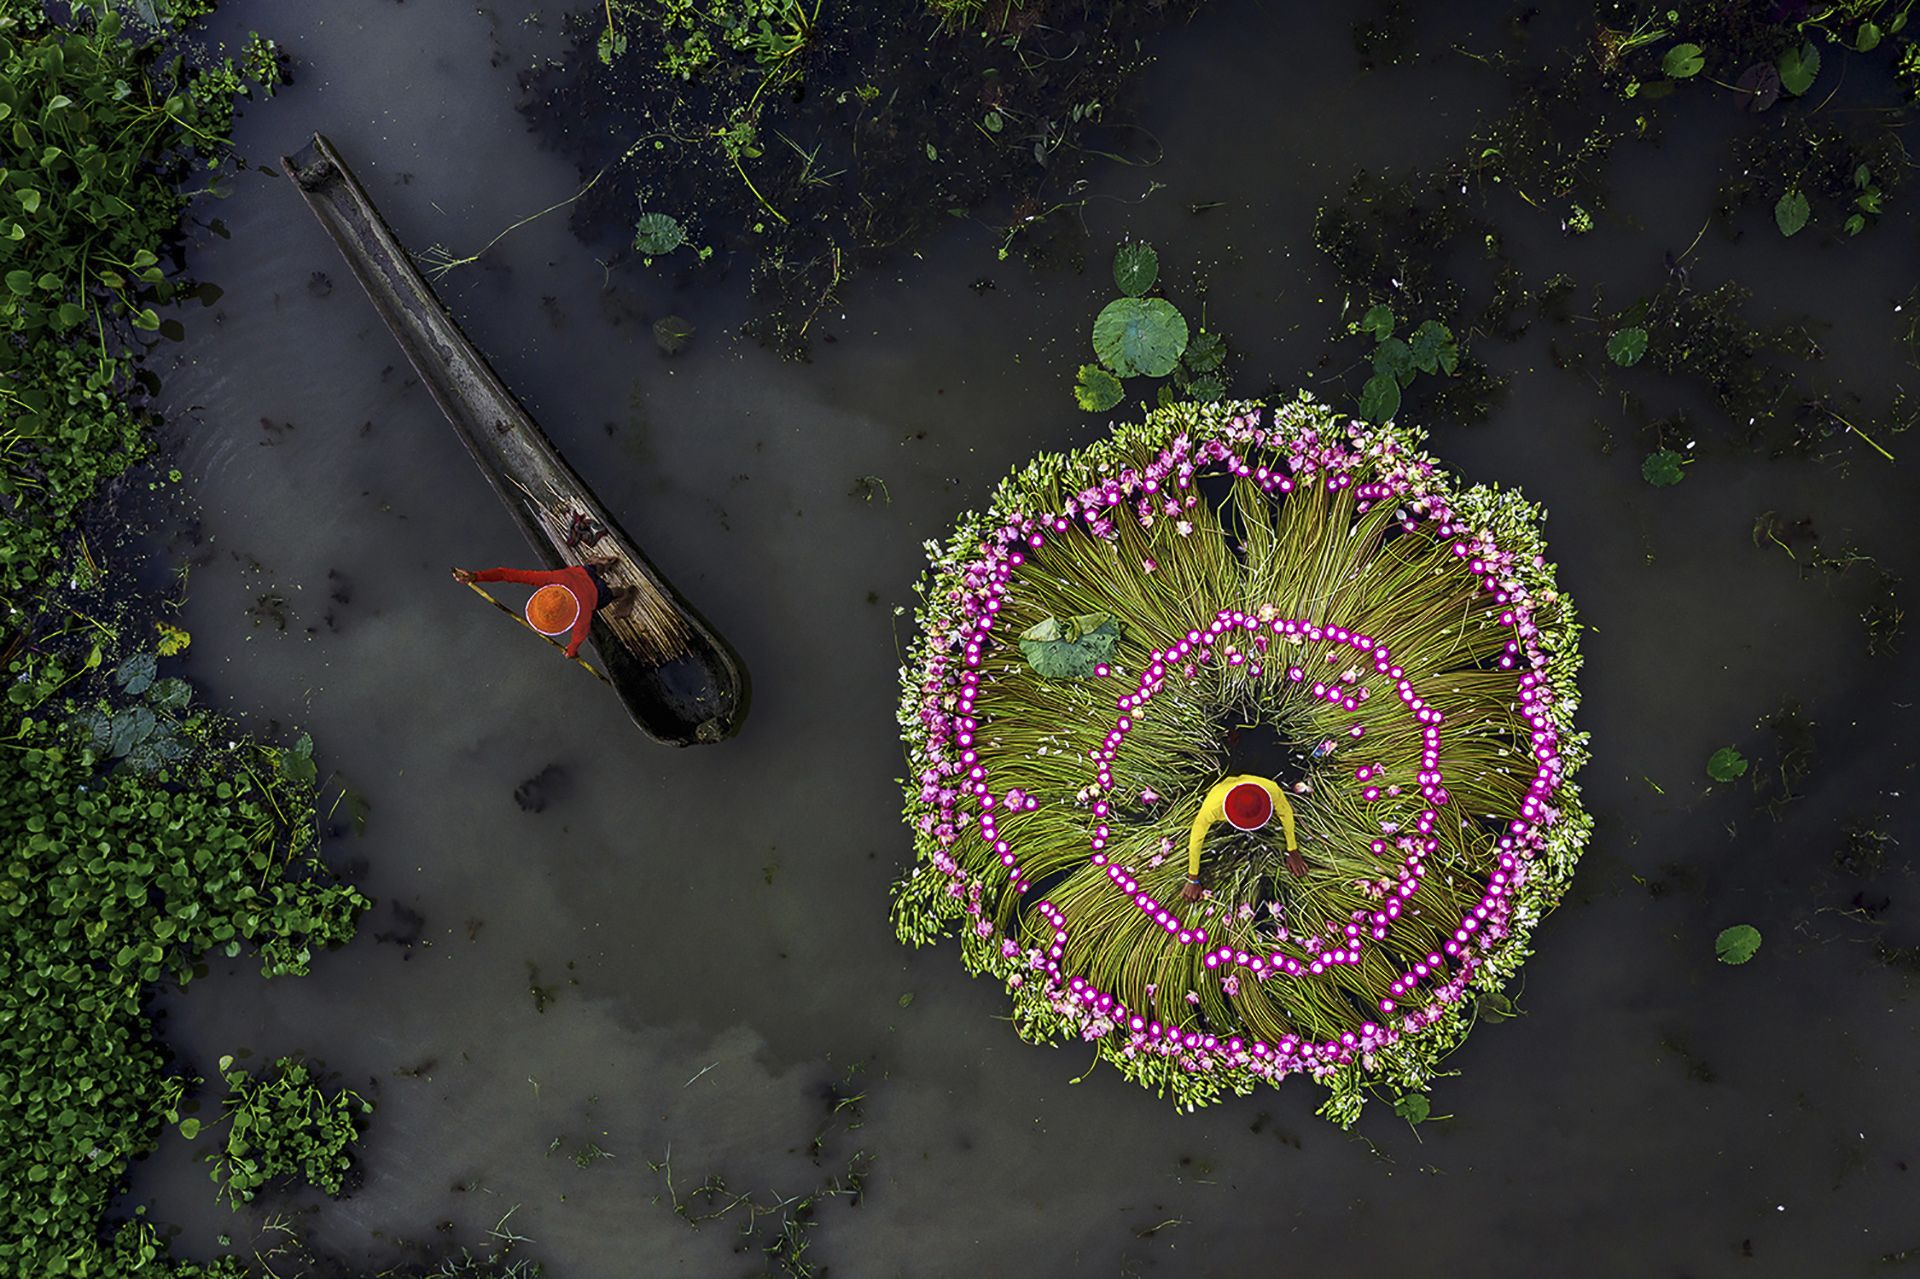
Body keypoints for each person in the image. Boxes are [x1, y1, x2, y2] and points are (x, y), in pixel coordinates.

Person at [450, 559, 629, 659]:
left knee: (612, 593)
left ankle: (626, 593)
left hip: (597, 595)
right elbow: (505, 573)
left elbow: (580, 634)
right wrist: (477, 576)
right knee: (593, 568)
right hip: (582, 573)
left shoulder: (582, 613)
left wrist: (572, 651)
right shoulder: (552, 578)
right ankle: (605, 564)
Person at [1183, 774, 1302, 901]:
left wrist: (1292, 849)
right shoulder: (1213, 805)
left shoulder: (1271, 790)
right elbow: (1197, 837)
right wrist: (1193, 877)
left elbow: (1286, 813)